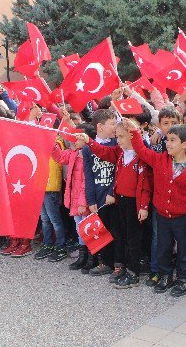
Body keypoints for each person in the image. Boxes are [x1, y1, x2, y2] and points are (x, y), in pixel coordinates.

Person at [126, 117, 186, 297]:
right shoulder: (160, 159)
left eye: (172, 140)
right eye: (167, 139)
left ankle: (184, 278)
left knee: (185, 249)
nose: (167, 143)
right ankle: (165, 275)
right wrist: (135, 132)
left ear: (185, 144)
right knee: (163, 247)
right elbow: (142, 150)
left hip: (182, 217)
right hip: (162, 215)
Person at [80, 120, 152, 289]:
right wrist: (89, 141)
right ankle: (125, 268)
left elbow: (147, 185)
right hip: (122, 200)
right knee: (125, 236)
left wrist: (144, 207)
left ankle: (133, 272)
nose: (117, 140)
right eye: (117, 136)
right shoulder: (121, 152)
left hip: (135, 202)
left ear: (132, 136)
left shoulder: (141, 156)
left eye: (121, 136)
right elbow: (104, 151)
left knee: (133, 239)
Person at [51, 124, 93, 270]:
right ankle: (83, 256)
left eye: (78, 138)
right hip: (75, 198)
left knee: (88, 228)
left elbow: (86, 182)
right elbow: (60, 157)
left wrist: (83, 202)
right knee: (79, 227)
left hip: (84, 200)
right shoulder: (74, 153)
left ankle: (91, 257)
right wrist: (51, 144)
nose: (74, 141)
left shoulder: (88, 155)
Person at [82, 108, 119, 276]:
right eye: (112, 124)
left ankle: (118, 262)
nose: (115, 127)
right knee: (102, 231)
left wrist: (112, 191)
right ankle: (105, 262)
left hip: (113, 196)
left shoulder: (116, 145)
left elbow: (119, 172)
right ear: (100, 126)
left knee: (116, 230)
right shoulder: (87, 149)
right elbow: (88, 175)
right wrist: (90, 200)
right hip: (98, 195)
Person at [34, 136, 68, 263]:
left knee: (55, 220)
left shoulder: (56, 144)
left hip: (50, 187)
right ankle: (48, 244)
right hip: (41, 187)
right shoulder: (42, 145)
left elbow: (56, 164)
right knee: (44, 219)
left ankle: (61, 246)